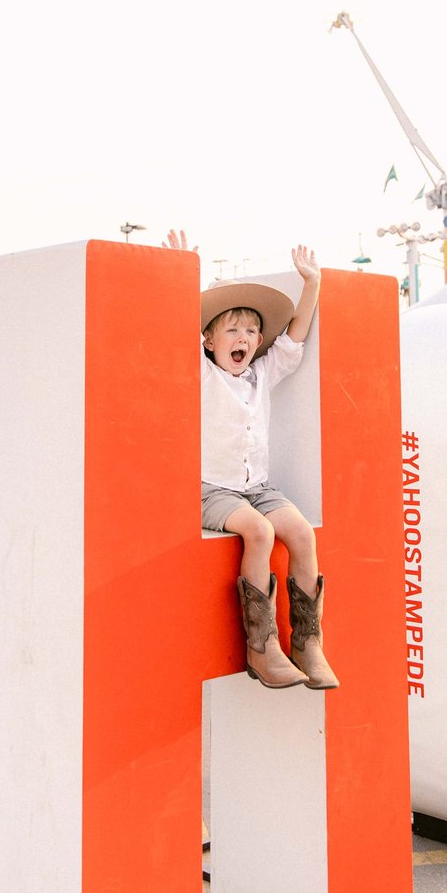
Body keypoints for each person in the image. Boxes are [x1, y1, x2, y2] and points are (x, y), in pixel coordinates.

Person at [164, 229, 337, 690]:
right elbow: (174, 327)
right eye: (232, 330)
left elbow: (294, 339)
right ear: (208, 340)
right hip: (212, 489)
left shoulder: (261, 373)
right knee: (259, 533)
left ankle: (308, 641)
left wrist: (312, 285)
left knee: (300, 533)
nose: (244, 338)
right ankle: (262, 648)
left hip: (256, 487)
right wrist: (180, 274)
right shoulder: (201, 373)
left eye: (251, 331)